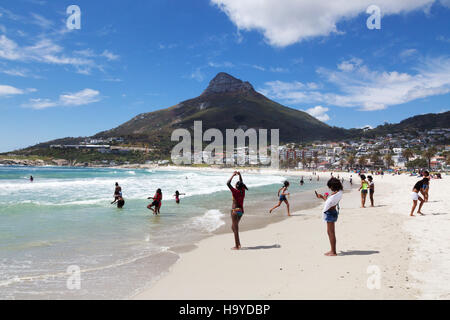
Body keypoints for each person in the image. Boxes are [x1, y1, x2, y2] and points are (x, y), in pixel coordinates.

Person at [315, 178, 343, 256]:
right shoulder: (339, 193)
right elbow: (329, 202)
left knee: (331, 232)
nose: (330, 188)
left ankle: (333, 251)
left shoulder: (333, 196)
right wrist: (321, 197)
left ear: (333, 186)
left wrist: (322, 197)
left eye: (330, 187)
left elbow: (328, 203)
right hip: (333, 212)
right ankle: (332, 250)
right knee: (330, 232)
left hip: (330, 213)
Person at [227, 171, 248, 250]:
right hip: (241, 211)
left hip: (235, 211)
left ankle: (237, 246)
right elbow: (241, 183)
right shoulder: (242, 191)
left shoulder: (235, 191)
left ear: (236, 186)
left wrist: (233, 175)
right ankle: (238, 243)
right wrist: (240, 175)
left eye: (236, 184)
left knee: (235, 229)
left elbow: (228, 183)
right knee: (233, 227)